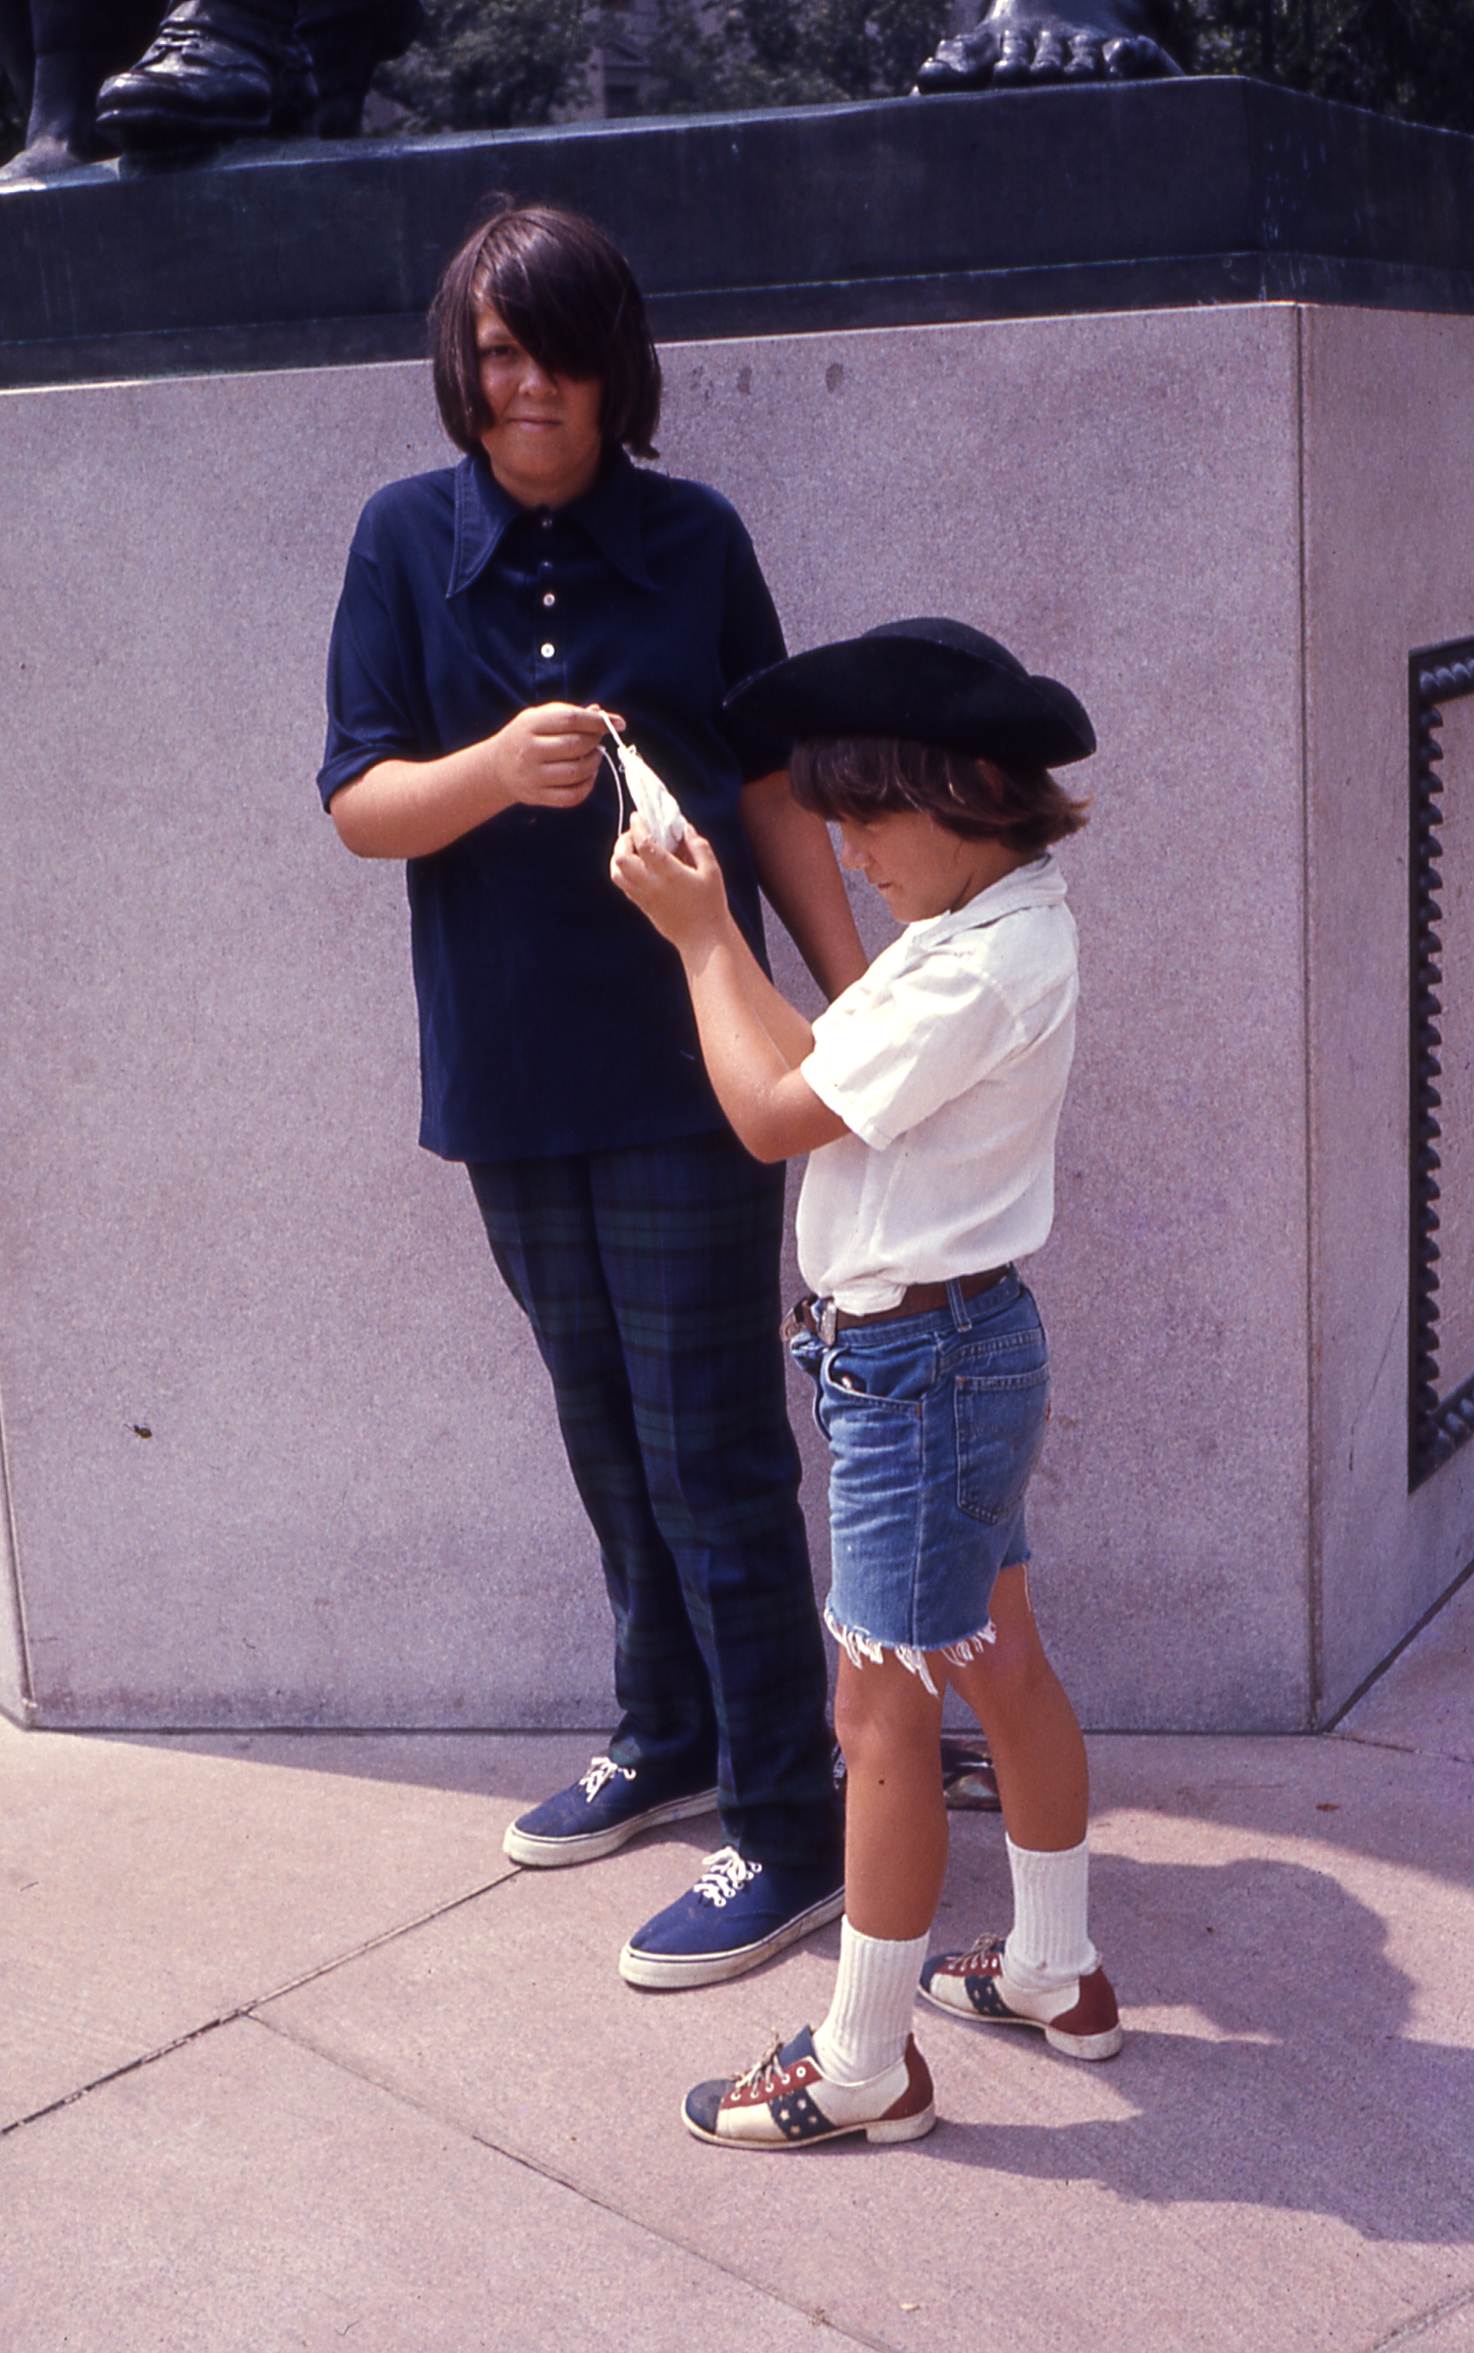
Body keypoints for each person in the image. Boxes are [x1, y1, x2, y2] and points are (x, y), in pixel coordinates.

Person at [318, 200, 867, 1988]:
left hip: (691, 1063)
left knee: (713, 1444)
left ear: (613, 367)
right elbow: (358, 803)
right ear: (459, 369)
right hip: (505, 1061)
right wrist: (487, 767)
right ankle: (671, 1730)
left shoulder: (696, 538)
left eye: (557, 352)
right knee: (605, 1428)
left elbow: (771, 784)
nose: (526, 385)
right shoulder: (402, 540)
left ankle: (788, 1823)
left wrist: (855, 997)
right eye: (496, 353)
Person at [609, 617, 1122, 2147]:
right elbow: (820, 1074)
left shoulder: (976, 963)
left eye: (866, 818)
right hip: (950, 1356)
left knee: (876, 1708)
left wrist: (701, 939)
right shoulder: (990, 925)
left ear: (960, 790)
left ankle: (862, 2062)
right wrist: (719, 934)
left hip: (919, 1373)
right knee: (997, 1657)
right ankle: (1052, 1969)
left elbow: (770, 1116)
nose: (848, 853)